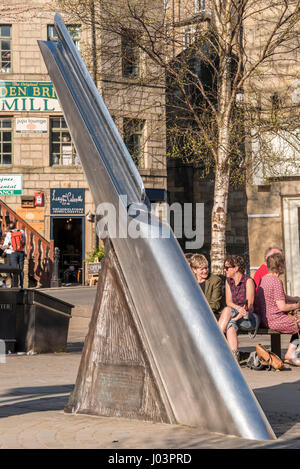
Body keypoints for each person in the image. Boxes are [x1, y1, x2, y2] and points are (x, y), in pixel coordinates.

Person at [255, 252, 300, 366]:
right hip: (275, 320)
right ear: (279, 267)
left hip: (266, 319)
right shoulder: (276, 281)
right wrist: (297, 306)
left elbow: (280, 296)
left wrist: (295, 299)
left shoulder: (264, 279)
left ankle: (291, 353)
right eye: (283, 265)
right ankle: (291, 354)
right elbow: (282, 306)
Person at [218, 255, 256, 362]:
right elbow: (229, 302)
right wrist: (238, 309)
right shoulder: (228, 281)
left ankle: (215, 342)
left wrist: (236, 317)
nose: (225, 270)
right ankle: (234, 358)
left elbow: (249, 305)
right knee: (230, 325)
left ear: (236, 268)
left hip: (249, 317)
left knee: (228, 315)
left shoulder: (248, 281)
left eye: (227, 268)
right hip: (235, 313)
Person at [2, 222, 26, 288]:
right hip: (21, 252)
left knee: (14, 269)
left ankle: (15, 285)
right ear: (16, 226)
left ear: (9, 228)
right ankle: (21, 285)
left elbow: (5, 245)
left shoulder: (9, 234)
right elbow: (24, 242)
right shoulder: (22, 232)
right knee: (21, 269)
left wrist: (3, 246)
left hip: (13, 253)